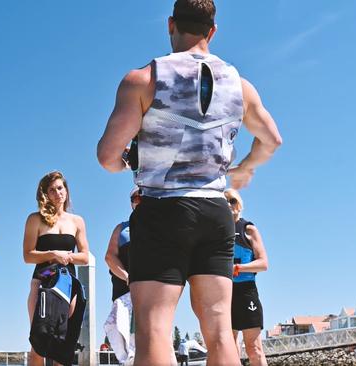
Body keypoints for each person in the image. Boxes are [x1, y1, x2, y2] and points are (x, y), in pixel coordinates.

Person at [96, 0, 282, 364]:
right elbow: (272, 140)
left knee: (154, 327)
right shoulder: (240, 86)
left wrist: (128, 165)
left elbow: (106, 156)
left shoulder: (143, 79)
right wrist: (244, 168)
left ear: (170, 25)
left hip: (162, 209)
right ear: (212, 31)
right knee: (218, 328)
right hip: (214, 211)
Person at [23, 171, 90, 366]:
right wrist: (53, 254)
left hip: (68, 284)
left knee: (63, 345)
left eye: (60, 188)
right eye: (51, 190)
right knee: (39, 341)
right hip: (42, 281)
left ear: (66, 191)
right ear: (45, 194)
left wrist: (67, 257)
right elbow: (28, 255)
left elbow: (85, 256)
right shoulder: (35, 219)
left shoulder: (77, 221)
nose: (57, 193)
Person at [224, 189, 268, 366]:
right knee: (229, 349)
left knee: (254, 348)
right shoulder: (215, 231)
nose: (228, 204)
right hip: (224, 293)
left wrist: (237, 268)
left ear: (240, 205)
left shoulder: (248, 229)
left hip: (246, 291)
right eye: (224, 201)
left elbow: (263, 264)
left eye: (232, 201)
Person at [103, 188, 141, 365]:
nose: (140, 200)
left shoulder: (161, 227)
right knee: (126, 345)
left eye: (144, 195)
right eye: (135, 197)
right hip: (124, 293)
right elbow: (110, 257)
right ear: (131, 202)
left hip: (153, 295)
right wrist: (128, 277)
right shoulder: (122, 229)